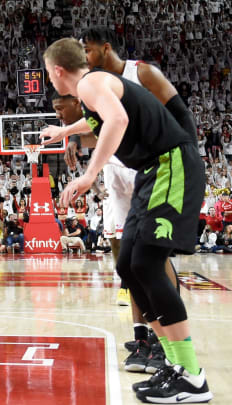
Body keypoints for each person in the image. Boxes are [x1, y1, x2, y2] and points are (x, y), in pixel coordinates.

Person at [41, 38, 210, 403]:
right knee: (129, 266)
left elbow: (117, 118)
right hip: (153, 171)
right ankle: (175, 365)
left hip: (171, 164)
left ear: (57, 71)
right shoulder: (93, 89)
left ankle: (193, 376)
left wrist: (89, 175)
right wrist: (63, 132)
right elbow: (96, 119)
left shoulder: (89, 82)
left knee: (148, 262)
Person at [77, 26, 193, 373]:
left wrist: (188, 158)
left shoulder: (140, 72)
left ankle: (167, 339)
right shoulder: (96, 86)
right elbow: (94, 126)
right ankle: (142, 333)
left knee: (153, 255)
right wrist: (70, 139)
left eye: (89, 50)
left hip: (155, 165)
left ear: (106, 49)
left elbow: (180, 114)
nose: (86, 57)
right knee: (127, 256)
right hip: (119, 169)